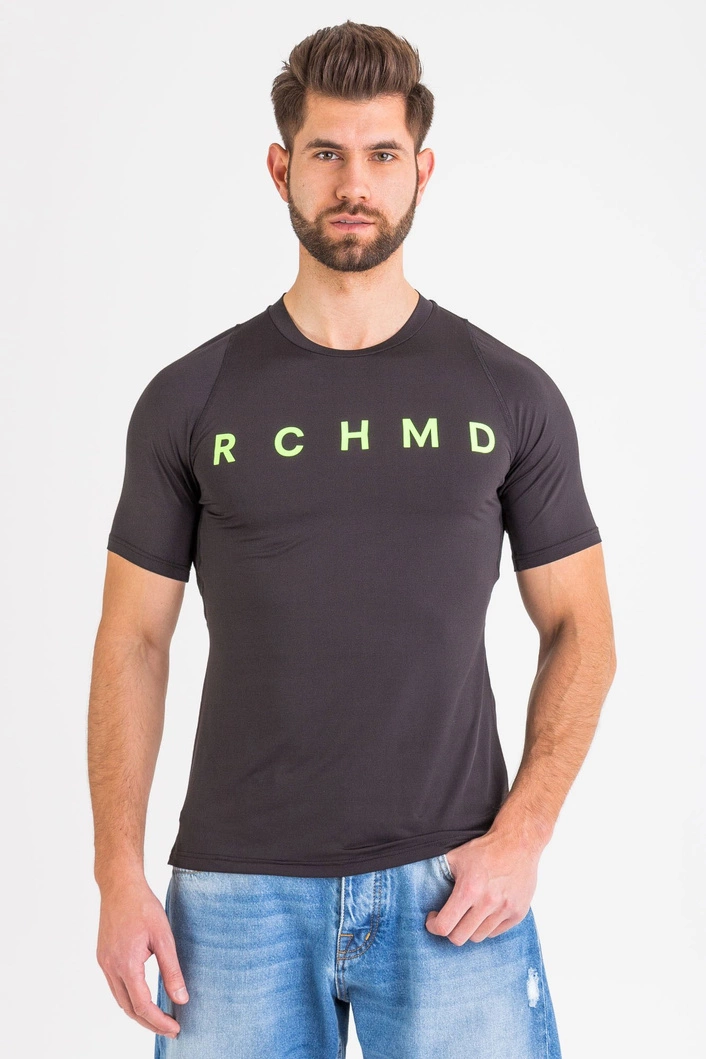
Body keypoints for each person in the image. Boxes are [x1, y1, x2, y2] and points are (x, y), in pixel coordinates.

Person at [88, 20, 616, 1059]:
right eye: (326, 152)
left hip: (454, 885)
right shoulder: (191, 399)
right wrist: (116, 871)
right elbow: (132, 641)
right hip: (235, 897)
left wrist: (522, 834)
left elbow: (583, 631)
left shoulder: (507, 394)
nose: (354, 183)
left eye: (381, 154)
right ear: (280, 167)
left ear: (422, 170)